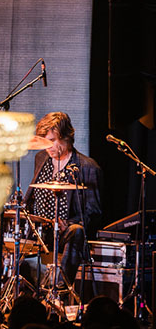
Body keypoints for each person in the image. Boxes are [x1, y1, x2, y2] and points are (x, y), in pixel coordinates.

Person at [24, 112, 102, 290]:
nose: (48, 148)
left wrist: (69, 223)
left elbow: (94, 212)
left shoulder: (88, 167)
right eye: (45, 142)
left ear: (66, 137)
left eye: (52, 141)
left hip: (65, 234)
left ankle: (60, 290)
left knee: (77, 231)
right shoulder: (41, 158)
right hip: (39, 231)